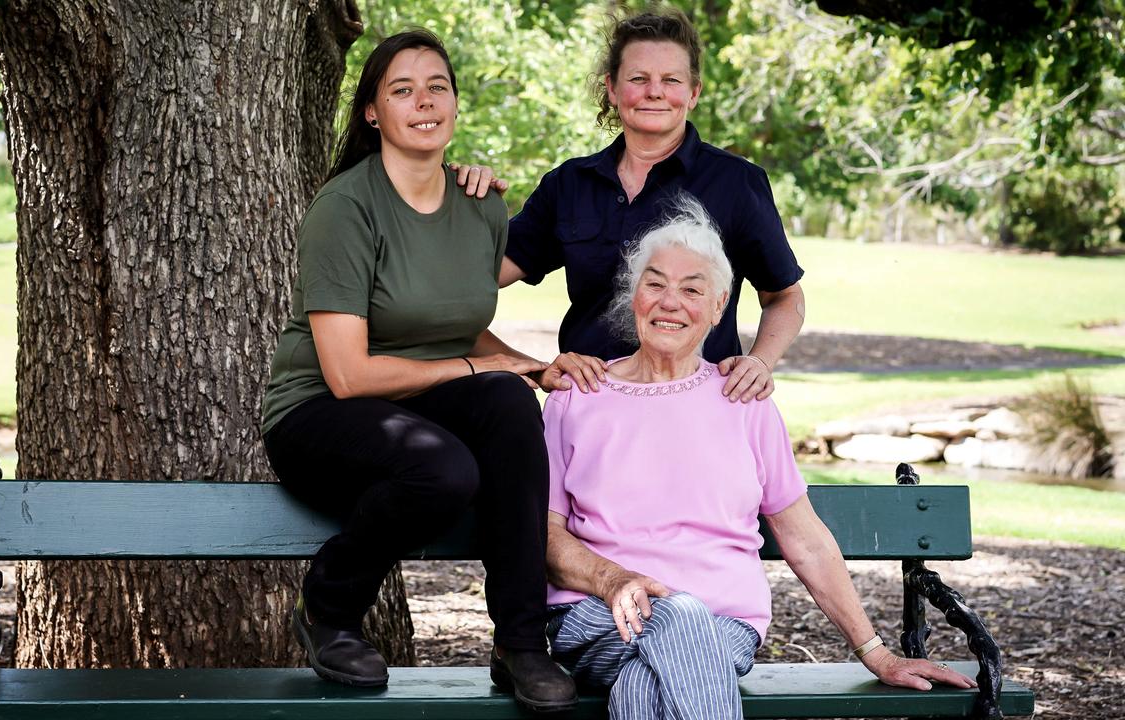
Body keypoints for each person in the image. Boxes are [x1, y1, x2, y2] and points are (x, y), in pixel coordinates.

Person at [541, 195, 976, 718]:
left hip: (724, 625)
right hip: (598, 616)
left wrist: (876, 653)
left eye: (691, 289)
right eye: (654, 283)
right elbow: (545, 533)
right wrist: (614, 580)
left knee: (645, 683)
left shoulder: (742, 401)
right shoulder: (578, 396)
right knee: (678, 620)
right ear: (633, 295)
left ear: (720, 306)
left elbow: (805, 539)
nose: (669, 301)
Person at [260, 30, 577, 712]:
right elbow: (346, 374)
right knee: (444, 468)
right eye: (401, 90)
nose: (423, 101)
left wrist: (523, 367)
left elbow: (451, 323)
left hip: (410, 404)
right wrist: (480, 363)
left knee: (512, 407)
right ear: (373, 112)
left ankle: (520, 644)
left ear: (456, 103)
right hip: (317, 413)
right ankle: (329, 609)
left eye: (437, 86)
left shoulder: (481, 204)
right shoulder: (345, 207)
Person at [495, 10, 807, 403]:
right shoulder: (569, 184)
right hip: (593, 406)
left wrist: (760, 362)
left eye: (671, 80)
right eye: (638, 79)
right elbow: (471, 285)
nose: (654, 91)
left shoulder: (736, 183)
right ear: (611, 88)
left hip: (702, 405)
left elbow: (785, 296)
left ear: (693, 92)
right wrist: (532, 366)